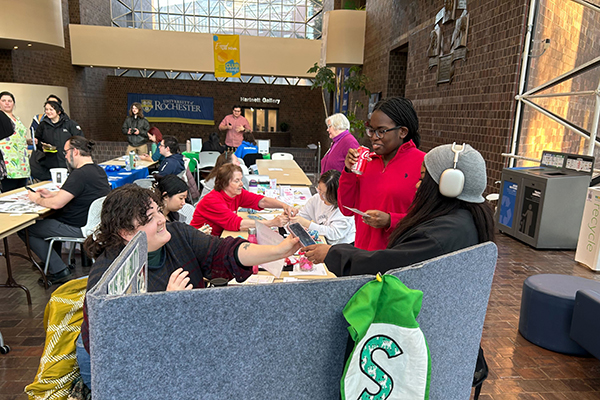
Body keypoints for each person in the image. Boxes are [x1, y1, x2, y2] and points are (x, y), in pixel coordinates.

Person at [76, 184, 302, 388]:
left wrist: (279, 251)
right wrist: (166, 306)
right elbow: (114, 351)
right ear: (125, 233)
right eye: (148, 219)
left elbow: (223, 251)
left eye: (157, 211)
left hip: (181, 350)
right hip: (137, 372)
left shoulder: (177, 235)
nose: (161, 219)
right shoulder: (109, 277)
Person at [302, 143, 495, 276]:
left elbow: (388, 264)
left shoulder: (439, 235)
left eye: (422, 179)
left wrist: (332, 253)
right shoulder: (465, 219)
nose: (417, 186)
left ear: (450, 184)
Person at [19, 136, 111, 284]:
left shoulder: (79, 174)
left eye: (66, 152)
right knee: (47, 222)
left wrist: (36, 199)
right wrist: (52, 194)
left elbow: (56, 204)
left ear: (75, 151)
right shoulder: (97, 170)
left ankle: (59, 270)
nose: (66, 157)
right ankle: (52, 262)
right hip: (94, 225)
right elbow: (75, 192)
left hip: (77, 227)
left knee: (26, 229)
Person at [338, 96, 425, 251]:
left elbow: (429, 220)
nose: (373, 137)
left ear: (402, 132)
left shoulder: (424, 164)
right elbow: (346, 208)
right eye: (371, 130)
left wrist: (391, 220)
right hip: (363, 254)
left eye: (381, 131)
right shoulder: (368, 161)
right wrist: (348, 171)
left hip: (399, 258)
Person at [191, 163, 297, 236]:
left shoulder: (236, 194)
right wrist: (271, 223)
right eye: (237, 181)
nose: (241, 184)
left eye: (241, 180)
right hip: (199, 242)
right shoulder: (213, 200)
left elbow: (261, 201)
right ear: (224, 183)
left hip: (215, 237)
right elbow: (238, 224)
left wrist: (285, 206)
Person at [289, 170, 355, 245]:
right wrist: (292, 217)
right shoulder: (316, 199)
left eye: (324, 194)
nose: (320, 195)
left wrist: (307, 224)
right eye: (319, 189)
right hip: (323, 241)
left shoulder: (345, 209)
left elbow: (334, 234)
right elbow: (303, 215)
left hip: (342, 246)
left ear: (334, 195)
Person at [29, 100, 83, 181]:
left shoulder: (69, 124)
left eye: (51, 109)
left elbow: (80, 140)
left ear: (58, 111)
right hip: (50, 161)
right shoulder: (43, 125)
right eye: (46, 109)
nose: (48, 112)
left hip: (68, 160)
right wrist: (42, 145)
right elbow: (38, 141)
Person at [0, 91, 30, 192]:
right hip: (8, 164)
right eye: (4, 101)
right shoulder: (1, 117)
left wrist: (28, 141)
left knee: (21, 193)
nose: (7, 103)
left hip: (22, 163)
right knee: (9, 194)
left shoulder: (17, 119)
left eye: (10, 101)